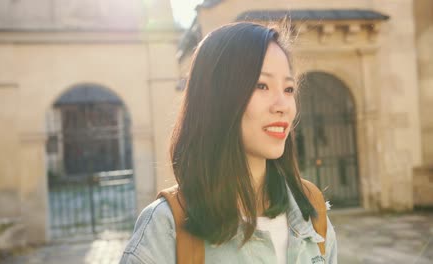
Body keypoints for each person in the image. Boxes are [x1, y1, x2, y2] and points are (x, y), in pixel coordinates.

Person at [120, 22, 337, 264]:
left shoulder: (310, 210)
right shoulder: (166, 228)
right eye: (261, 85)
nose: (283, 106)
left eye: (288, 89)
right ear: (216, 97)